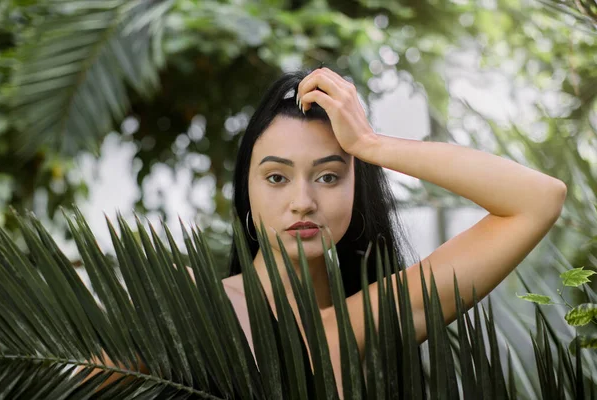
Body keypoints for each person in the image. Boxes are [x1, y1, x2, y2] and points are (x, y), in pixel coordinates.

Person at [219, 66, 567, 397]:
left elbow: (538, 199)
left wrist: (369, 144)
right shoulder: (189, 296)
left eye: (328, 177)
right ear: (247, 190)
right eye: (277, 177)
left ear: (356, 190)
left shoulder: (370, 323)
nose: (302, 202)